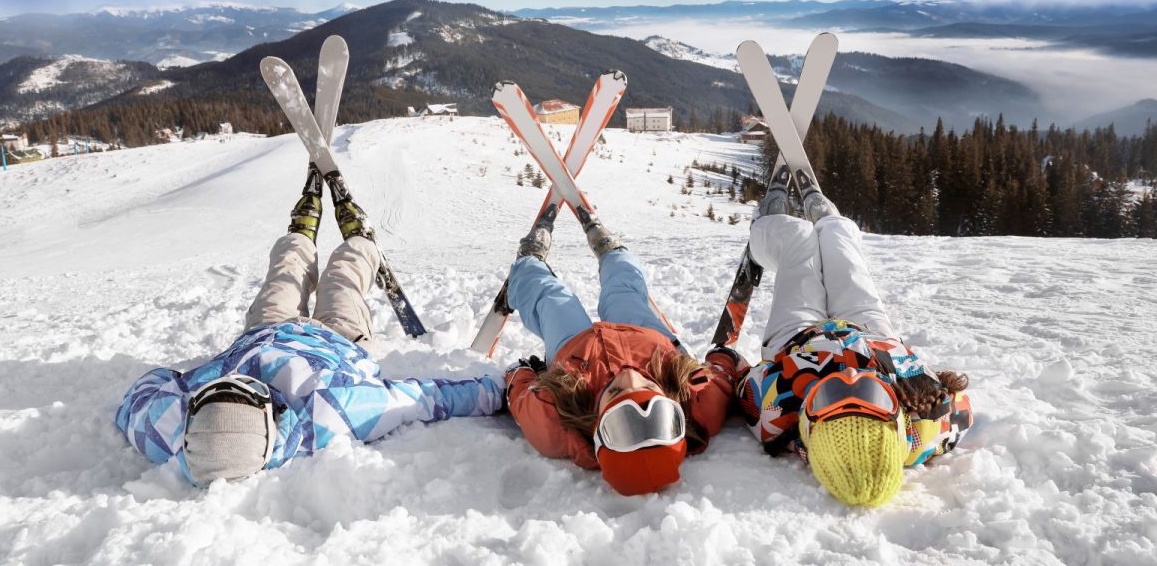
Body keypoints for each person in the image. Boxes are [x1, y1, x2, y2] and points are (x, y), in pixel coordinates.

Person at [116, 170, 503, 486]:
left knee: (284, 276)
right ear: (274, 416)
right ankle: (362, 241)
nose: (248, 382)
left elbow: (138, 396)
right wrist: (498, 392)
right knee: (343, 280)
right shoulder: (329, 412)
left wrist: (176, 379)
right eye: (252, 391)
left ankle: (301, 231)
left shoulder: (173, 432)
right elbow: (422, 398)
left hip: (264, 332)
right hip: (337, 342)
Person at [736, 173, 974, 507]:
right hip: (873, 334)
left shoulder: (777, 412)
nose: (850, 378)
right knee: (845, 258)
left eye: (830, 396)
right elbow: (962, 406)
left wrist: (727, 363)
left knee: (799, 242)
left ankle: (769, 227)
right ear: (896, 418)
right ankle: (832, 223)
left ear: (808, 424)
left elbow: (742, 385)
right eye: (870, 394)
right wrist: (931, 402)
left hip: (797, 336)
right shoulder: (924, 426)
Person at [504, 203, 747, 496]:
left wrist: (521, 373)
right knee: (624, 291)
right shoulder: (700, 401)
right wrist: (724, 358)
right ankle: (612, 251)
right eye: (648, 388)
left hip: (576, 354)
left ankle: (529, 260)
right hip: (649, 342)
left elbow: (520, 397)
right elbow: (721, 376)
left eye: (617, 393)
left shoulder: (555, 422)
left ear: (597, 428)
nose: (630, 377)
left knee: (551, 299)